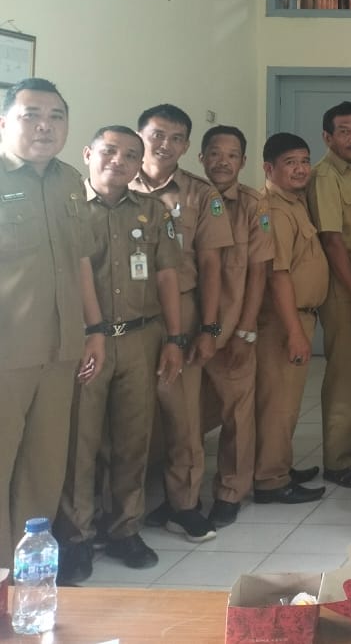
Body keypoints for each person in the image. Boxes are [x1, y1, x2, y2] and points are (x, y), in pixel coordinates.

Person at [56, 127, 184, 581]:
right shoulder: (69, 209)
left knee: (133, 439)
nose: (119, 161)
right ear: (89, 153)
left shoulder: (153, 211)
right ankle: (75, 538)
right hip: (86, 341)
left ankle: (125, 528)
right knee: (82, 442)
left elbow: (168, 276)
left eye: (131, 155)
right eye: (109, 151)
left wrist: (174, 338)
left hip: (140, 337)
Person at [0, 79, 101, 563]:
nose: (45, 125)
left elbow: (79, 259)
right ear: (4, 121)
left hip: (61, 351)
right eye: (31, 114)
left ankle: (28, 573)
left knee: (43, 468)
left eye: (56, 116)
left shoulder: (68, 181)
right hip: (7, 354)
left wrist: (95, 331)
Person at [133, 103, 232, 542]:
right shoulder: (115, 184)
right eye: (157, 135)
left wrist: (209, 328)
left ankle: (184, 504)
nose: (165, 145)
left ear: (187, 145)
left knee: (183, 414)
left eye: (176, 138)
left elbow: (212, 267)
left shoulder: (200, 195)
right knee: (128, 413)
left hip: (185, 311)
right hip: (130, 316)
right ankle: (124, 512)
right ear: (141, 135)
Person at [199, 125, 273, 527]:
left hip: (233, 328)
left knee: (237, 416)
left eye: (231, 154)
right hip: (187, 329)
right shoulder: (186, 198)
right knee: (185, 416)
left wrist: (246, 329)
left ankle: (231, 492)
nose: (222, 161)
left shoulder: (253, 205)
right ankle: (181, 496)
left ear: (243, 162)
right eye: (214, 153)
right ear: (202, 158)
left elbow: (259, 273)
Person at [307, 101, 351, 489]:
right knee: (344, 377)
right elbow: (333, 242)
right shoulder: (324, 177)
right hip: (344, 288)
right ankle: (337, 460)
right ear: (327, 137)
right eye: (345, 131)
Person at [253, 133, 328, 505]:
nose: (300, 169)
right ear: (269, 168)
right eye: (290, 162)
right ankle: (270, 480)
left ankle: (279, 465)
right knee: (277, 405)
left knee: (288, 402)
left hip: (300, 316)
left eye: (304, 160)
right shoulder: (273, 210)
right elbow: (277, 274)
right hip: (285, 322)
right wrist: (295, 332)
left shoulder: (294, 202)